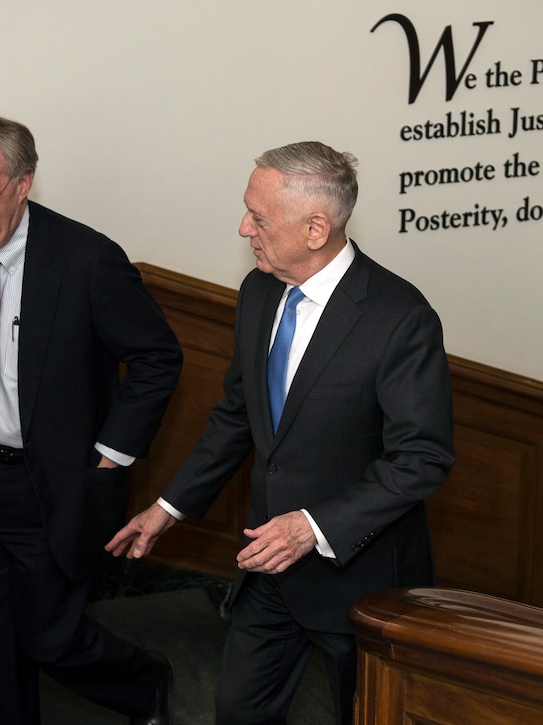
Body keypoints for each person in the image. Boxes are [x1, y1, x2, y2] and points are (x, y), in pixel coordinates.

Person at [107, 141, 455, 724]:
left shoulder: (399, 317)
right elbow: (238, 416)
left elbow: (421, 458)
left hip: (358, 581)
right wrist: (169, 506)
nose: (244, 227)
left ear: (315, 227)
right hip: (266, 570)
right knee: (238, 712)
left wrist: (312, 527)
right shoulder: (259, 292)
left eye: (259, 217)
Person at [0, 109, 183, 725]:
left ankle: (144, 684)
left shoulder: (87, 260)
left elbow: (156, 356)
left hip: (50, 482)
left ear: (23, 182)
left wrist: (110, 454)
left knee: (46, 637)